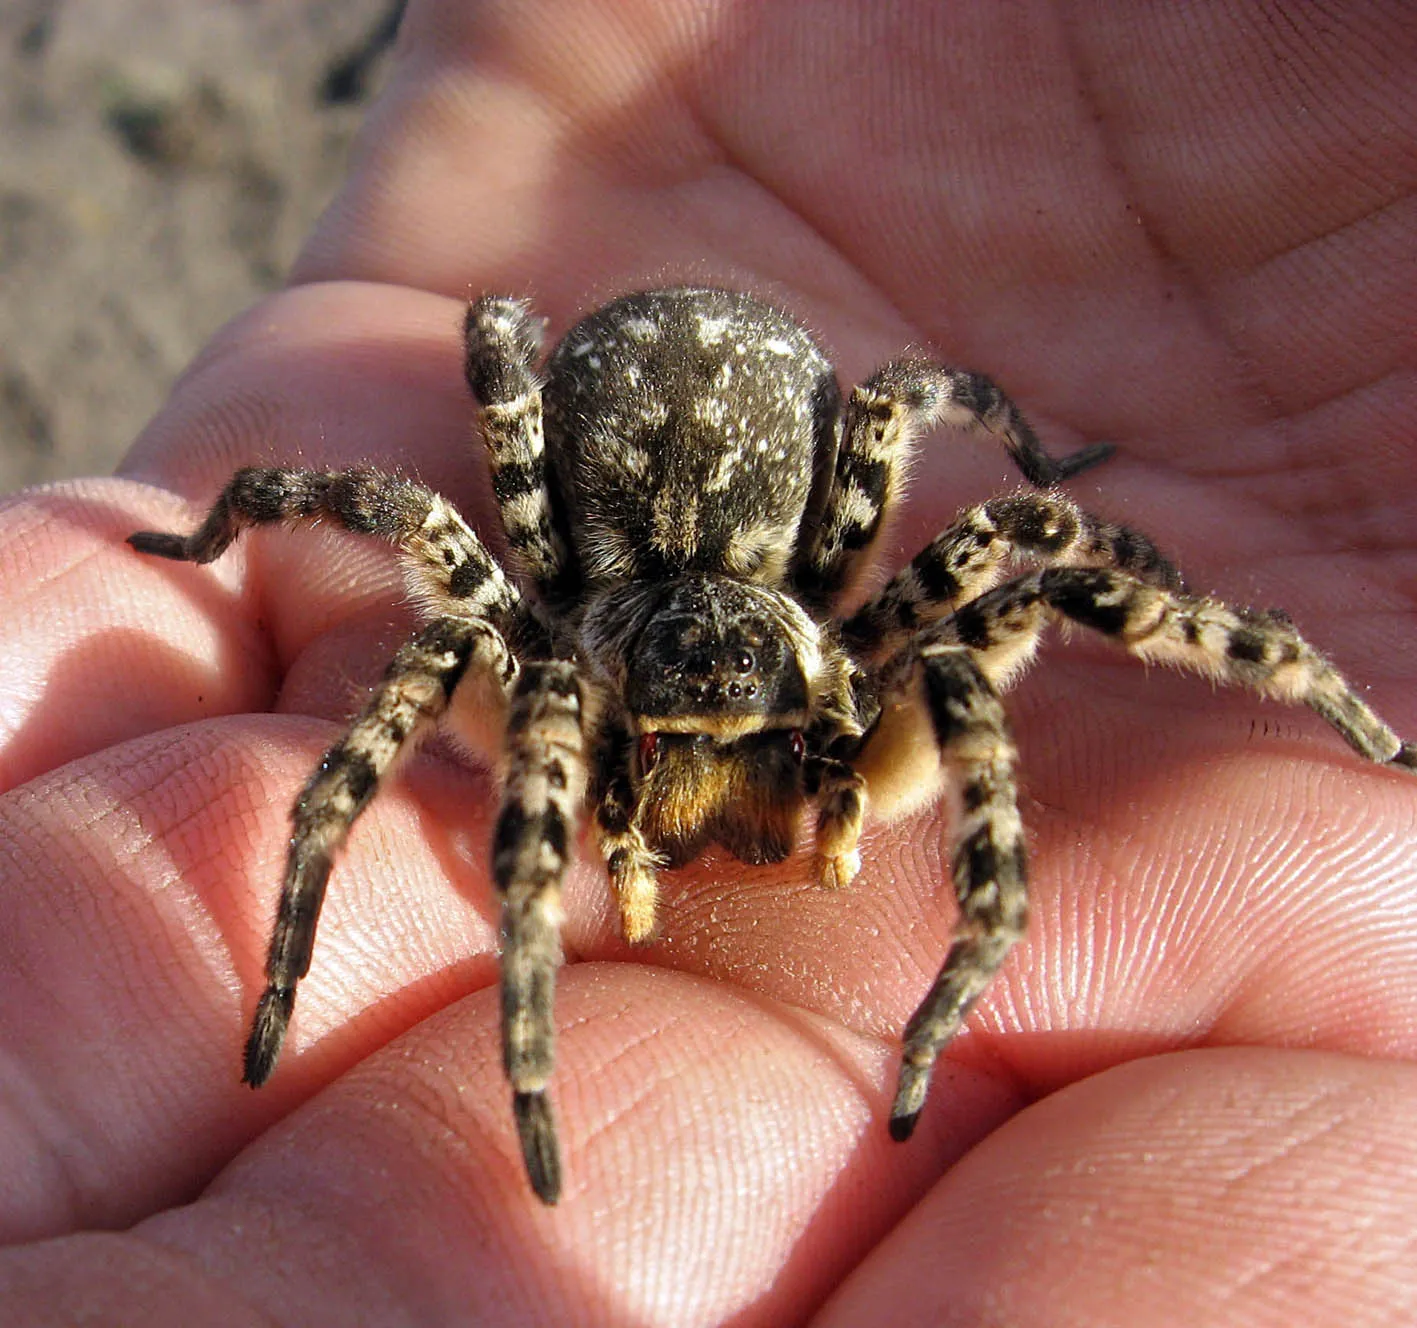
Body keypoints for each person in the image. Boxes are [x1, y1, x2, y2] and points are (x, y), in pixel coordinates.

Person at [1, 1, 1413, 1321]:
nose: (723, 749)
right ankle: (503, 1043)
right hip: (601, 569)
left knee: (1008, 570)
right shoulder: (549, 664)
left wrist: (967, 969)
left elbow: (996, 483)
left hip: (755, 524)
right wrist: (231, 573)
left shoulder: (874, 646)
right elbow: (422, 458)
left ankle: (1307, 732)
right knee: (428, 564)